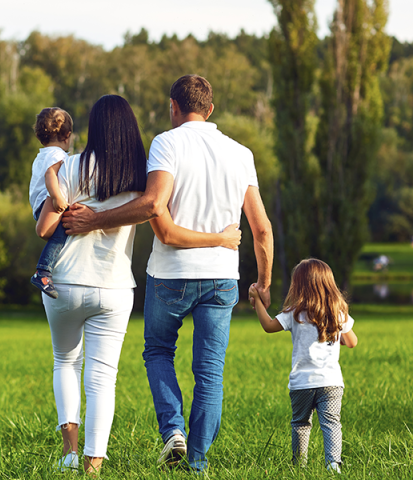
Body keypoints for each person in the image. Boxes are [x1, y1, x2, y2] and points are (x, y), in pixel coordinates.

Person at [61, 75, 274, 473]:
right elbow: (261, 228)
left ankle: (173, 433)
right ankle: (197, 462)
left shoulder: (166, 143)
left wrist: (94, 220)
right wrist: (263, 283)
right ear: (210, 109)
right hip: (222, 277)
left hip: (170, 275)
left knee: (158, 351)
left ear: (173, 106)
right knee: (210, 370)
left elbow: (153, 204)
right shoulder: (240, 153)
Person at [249, 258, 358, 474]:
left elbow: (269, 326)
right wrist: (337, 336)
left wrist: (257, 301)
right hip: (331, 382)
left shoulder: (295, 312)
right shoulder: (338, 312)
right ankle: (333, 465)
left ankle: (299, 466)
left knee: (300, 424)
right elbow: (352, 342)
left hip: (302, 383)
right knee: (331, 423)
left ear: (298, 285)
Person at [29, 107, 72, 299]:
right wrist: (56, 197)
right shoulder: (58, 156)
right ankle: (43, 271)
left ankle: (47, 270)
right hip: (49, 203)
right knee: (61, 233)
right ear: (67, 136)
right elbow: (50, 175)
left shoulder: (41, 155)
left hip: (39, 206)